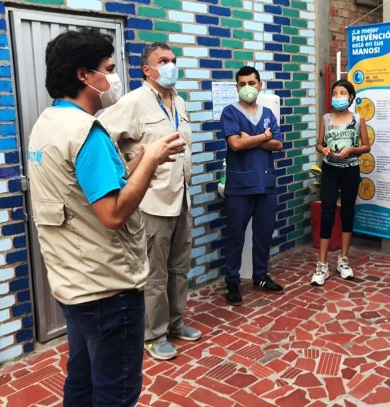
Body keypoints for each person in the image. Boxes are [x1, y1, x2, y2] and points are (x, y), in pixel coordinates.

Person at [27, 29, 185, 405]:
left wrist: (134, 163)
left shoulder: (48, 123)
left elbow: (93, 188)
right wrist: (150, 162)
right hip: (108, 289)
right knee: (116, 392)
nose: (114, 79)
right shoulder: (88, 132)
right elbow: (113, 213)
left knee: (81, 381)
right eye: (109, 69)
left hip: (73, 284)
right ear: (85, 75)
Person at [99, 43, 201, 361]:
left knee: (179, 267)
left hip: (181, 197)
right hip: (152, 202)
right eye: (163, 61)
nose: (171, 65)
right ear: (148, 69)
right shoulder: (134, 102)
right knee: (154, 273)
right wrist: (127, 172)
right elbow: (100, 134)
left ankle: (175, 323)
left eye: (173, 60)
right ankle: (153, 335)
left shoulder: (178, 101)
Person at [220, 66, 284, 306]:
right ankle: (232, 283)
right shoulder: (230, 113)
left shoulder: (268, 113)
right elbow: (235, 145)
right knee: (236, 237)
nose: (248, 87)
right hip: (240, 185)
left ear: (260, 85)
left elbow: (278, 145)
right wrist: (264, 137)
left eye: (252, 83)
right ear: (237, 87)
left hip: (265, 184)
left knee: (263, 235)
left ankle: (261, 277)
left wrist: (251, 139)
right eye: (242, 83)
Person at [311, 79, 370, 286]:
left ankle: (343, 260)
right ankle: (322, 263)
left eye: (342, 93)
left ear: (351, 97)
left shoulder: (358, 119)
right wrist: (324, 149)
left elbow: (366, 146)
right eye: (335, 93)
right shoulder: (326, 119)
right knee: (327, 213)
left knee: (347, 212)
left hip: (351, 170)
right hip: (329, 170)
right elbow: (319, 144)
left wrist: (352, 150)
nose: (338, 97)